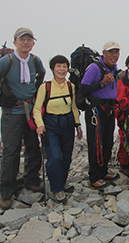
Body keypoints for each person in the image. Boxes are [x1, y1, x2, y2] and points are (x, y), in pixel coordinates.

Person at [0, 28, 46, 210]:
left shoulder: (35, 60)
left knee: (33, 147)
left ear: (33, 43)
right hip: (12, 113)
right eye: (22, 39)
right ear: (15, 42)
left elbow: (41, 75)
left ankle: (31, 180)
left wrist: (35, 96)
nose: (25, 42)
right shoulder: (5, 61)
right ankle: (6, 192)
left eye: (29, 40)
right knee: (11, 152)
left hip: (31, 112)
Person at [33, 55, 83, 203]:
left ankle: (61, 182)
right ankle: (57, 189)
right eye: (58, 66)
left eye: (64, 66)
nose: (62, 69)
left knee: (66, 156)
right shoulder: (45, 87)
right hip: (51, 124)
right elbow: (37, 108)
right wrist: (40, 124)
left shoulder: (70, 86)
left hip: (68, 123)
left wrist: (78, 124)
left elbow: (73, 106)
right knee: (55, 157)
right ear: (53, 69)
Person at [79, 40, 121, 190]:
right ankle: (94, 176)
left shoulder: (114, 68)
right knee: (96, 143)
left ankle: (103, 171)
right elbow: (83, 88)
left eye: (116, 52)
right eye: (111, 52)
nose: (114, 55)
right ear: (104, 53)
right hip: (95, 111)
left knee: (108, 141)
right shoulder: (95, 68)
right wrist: (102, 83)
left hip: (108, 110)